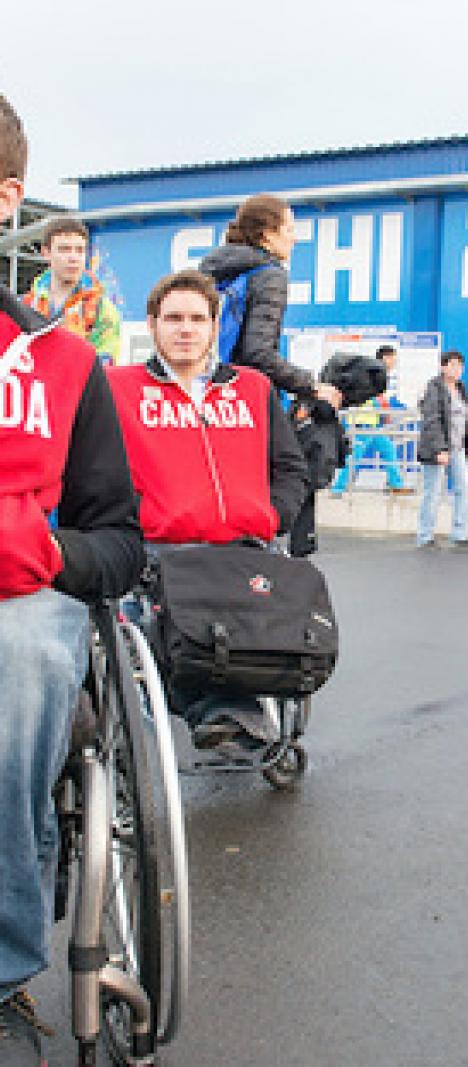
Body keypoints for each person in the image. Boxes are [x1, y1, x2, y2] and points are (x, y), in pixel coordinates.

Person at [0, 95, 144, 1064]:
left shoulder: (61, 362)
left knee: (14, 664)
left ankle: (3, 961)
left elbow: (121, 541)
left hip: (17, 601)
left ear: (6, 199)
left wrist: (49, 554)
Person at [106, 269, 309, 746]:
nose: (185, 329)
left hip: (245, 546)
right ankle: (224, 710)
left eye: (198, 319)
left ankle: (233, 708)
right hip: (162, 550)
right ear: (153, 324)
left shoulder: (253, 388)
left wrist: (271, 514)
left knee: (270, 623)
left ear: (215, 327)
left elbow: (290, 467)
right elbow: (98, 472)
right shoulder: (118, 389)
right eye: (173, 318)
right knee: (172, 628)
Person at [199, 192, 340, 409]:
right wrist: (311, 385)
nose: (295, 238)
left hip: (206, 390)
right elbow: (258, 353)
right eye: (289, 229)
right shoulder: (269, 275)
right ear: (267, 235)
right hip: (244, 398)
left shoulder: (214, 270)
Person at [24, 216, 121, 365]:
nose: (73, 258)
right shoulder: (25, 306)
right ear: (46, 253)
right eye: (64, 249)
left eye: (80, 250)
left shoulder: (102, 309)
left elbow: (105, 368)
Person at [331, 344, 413, 496]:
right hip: (361, 423)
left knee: (388, 450)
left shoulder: (377, 373)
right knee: (353, 457)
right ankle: (338, 488)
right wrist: (382, 406)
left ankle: (395, 484)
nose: (394, 363)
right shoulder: (372, 373)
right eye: (393, 359)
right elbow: (371, 396)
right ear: (385, 358)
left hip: (373, 425)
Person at [416, 349, 468, 548]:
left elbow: (464, 416)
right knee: (432, 492)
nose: (457, 369)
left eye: (460, 365)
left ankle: (459, 532)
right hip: (438, 448)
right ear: (443, 367)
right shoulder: (434, 388)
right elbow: (432, 419)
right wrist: (440, 449)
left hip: (457, 448)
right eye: (452, 365)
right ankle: (425, 535)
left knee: (464, 488)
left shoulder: (461, 389)